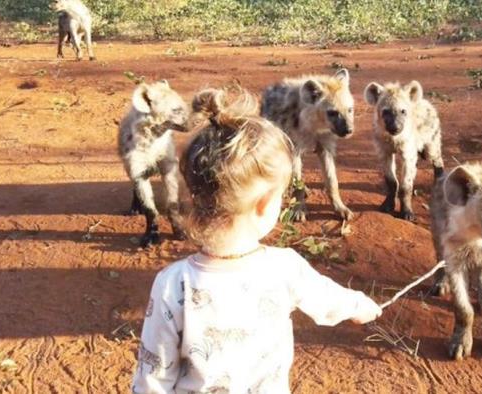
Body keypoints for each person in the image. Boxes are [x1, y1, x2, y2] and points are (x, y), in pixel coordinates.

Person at [131, 88, 382, 393]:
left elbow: (152, 379)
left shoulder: (172, 283)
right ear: (264, 204)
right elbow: (329, 301)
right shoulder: (284, 267)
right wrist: (360, 306)